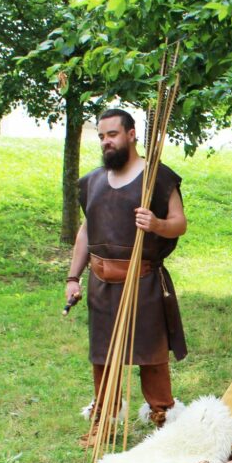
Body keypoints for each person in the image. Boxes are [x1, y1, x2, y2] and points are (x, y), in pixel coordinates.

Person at [65, 107, 188, 437]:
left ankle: (163, 415)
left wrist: (157, 224)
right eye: (102, 136)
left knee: (150, 354)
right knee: (103, 354)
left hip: (142, 279)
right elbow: (85, 232)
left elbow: (180, 224)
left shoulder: (157, 177)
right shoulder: (92, 182)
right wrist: (73, 278)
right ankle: (104, 415)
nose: (106, 142)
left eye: (113, 134)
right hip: (101, 282)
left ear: (132, 134)